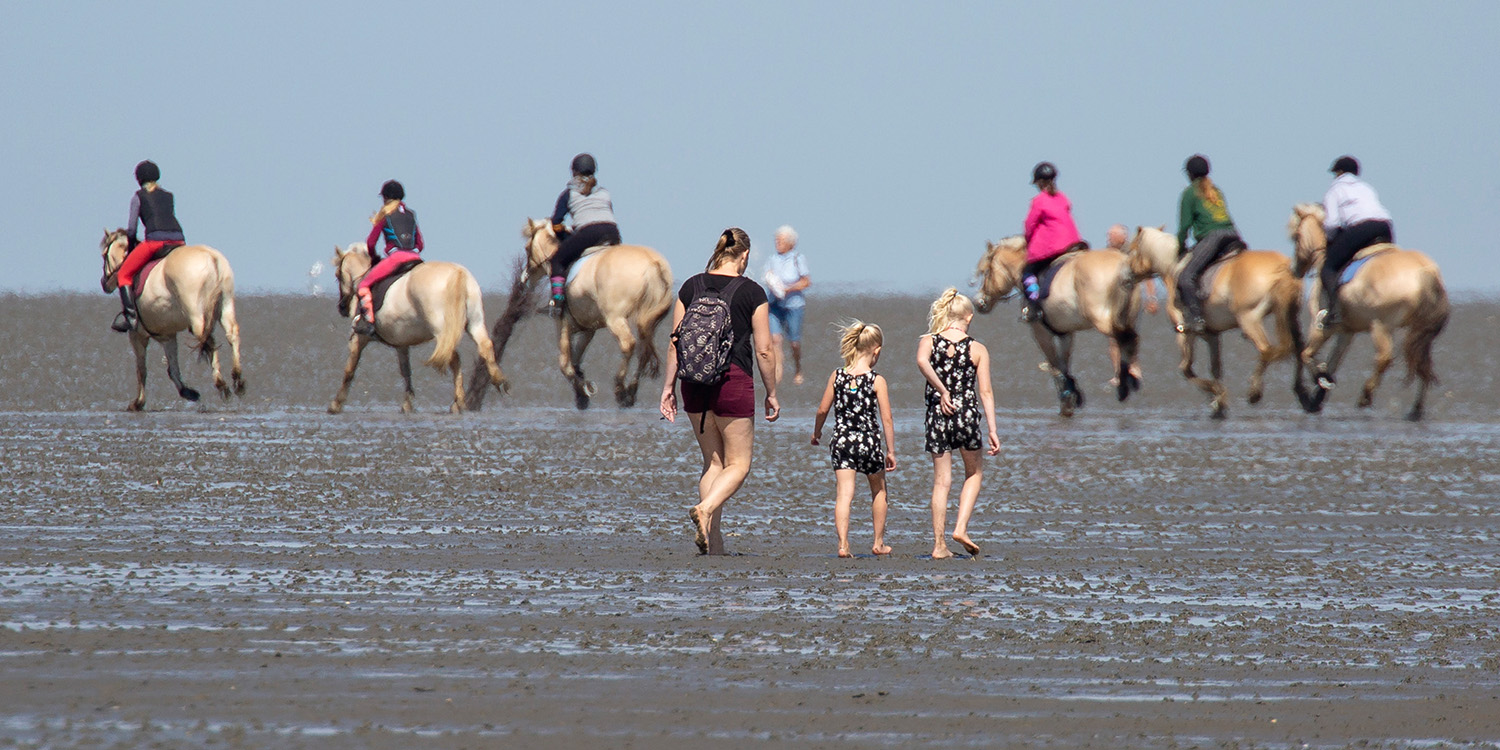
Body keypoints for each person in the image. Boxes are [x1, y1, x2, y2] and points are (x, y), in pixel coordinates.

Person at [660, 228, 780, 556]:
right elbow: (765, 350)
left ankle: (714, 544)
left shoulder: (690, 286)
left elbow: (674, 343)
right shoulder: (752, 292)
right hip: (733, 381)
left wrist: (668, 388)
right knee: (739, 464)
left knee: (713, 462)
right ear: (744, 256)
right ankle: (705, 508)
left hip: (693, 383)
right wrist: (771, 392)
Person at [917, 288, 1001, 560]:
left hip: (937, 416)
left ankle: (939, 544)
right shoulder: (977, 348)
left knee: (942, 481)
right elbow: (985, 392)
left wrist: (941, 390)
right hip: (966, 415)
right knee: (974, 473)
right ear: (969, 316)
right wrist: (992, 430)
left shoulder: (929, 341)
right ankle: (961, 528)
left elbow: (921, 362)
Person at [811, 320, 896, 558]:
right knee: (879, 490)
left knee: (844, 494)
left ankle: (843, 544)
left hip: (842, 441)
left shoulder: (837, 376)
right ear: (876, 351)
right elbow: (886, 419)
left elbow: (822, 410)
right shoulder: (877, 380)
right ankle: (878, 542)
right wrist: (891, 450)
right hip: (869, 442)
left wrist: (816, 432)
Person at [1318, 155, 1394, 329]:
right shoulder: (1366, 187)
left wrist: (1332, 241)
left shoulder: (1335, 190)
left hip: (1361, 228)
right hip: (1386, 226)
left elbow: (1331, 223)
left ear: (1339, 172)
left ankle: (1335, 313)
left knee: (1328, 267)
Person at [112, 160, 186, 332]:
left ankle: (130, 318)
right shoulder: (169, 196)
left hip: (155, 241)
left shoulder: (138, 197)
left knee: (123, 274)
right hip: (179, 240)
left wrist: (131, 250)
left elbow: (131, 229)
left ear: (139, 179)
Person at [1174, 154, 1245, 334]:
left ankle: (1196, 318)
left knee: (1186, 277)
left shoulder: (1190, 193)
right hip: (1233, 235)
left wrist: (1180, 248)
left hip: (1213, 238)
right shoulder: (1216, 190)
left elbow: (1184, 227)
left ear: (1189, 174)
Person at [548, 153, 621, 316]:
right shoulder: (604, 192)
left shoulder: (569, 193)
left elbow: (556, 223)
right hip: (613, 232)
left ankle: (557, 302)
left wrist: (565, 239)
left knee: (557, 260)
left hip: (588, 233)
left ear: (574, 172)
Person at [355, 180, 424, 337]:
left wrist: (374, 258)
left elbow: (371, 243)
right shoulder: (411, 214)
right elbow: (420, 244)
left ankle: (370, 324)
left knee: (363, 285)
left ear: (385, 198)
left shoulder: (385, 215)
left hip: (396, 258)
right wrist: (412, 252)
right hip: (416, 257)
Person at [1020, 162, 1086, 322]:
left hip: (1055, 248)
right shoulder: (1063, 198)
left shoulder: (1039, 200)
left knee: (1028, 273)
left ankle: (1035, 306)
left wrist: (1028, 241)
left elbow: (1029, 225)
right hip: (1074, 242)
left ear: (1039, 182)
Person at [762, 225, 811, 385]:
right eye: (776, 240)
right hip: (775, 304)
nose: (778, 243)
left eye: (781, 240)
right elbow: (768, 276)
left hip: (794, 305)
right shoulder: (772, 259)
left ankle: (798, 368)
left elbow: (806, 281)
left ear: (790, 242)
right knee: (775, 339)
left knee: (794, 342)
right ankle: (778, 372)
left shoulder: (797, 258)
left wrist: (788, 289)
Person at [1107, 223, 1158, 315]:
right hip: (1112, 300)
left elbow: (1147, 277)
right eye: (1109, 235)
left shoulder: (1133, 253)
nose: (1110, 238)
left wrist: (1151, 298)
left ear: (1123, 237)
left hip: (1132, 296)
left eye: (1113, 235)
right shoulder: (1106, 254)